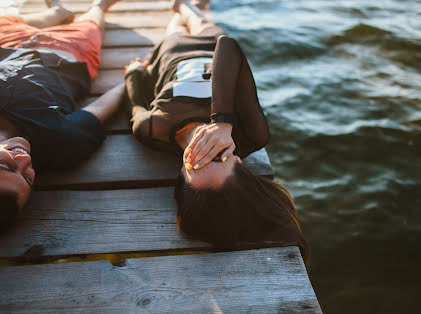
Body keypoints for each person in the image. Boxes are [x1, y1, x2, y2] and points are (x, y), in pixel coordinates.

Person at [125, 0, 309, 263]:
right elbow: (228, 45)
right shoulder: (251, 134)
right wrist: (223, 122)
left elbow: (135, 104)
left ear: (181, 173)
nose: (205, 148)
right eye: (218, 156)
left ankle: (181, 8)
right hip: (213, 47)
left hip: (172, 53)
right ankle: (188, 5)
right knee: (201, 22)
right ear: (238, 160)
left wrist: (134, 74)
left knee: (174, 28)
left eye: (196, 164)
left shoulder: (154, 128)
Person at [0, 0, 125, 230]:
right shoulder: (60, 143)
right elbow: (100, 108)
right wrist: (132, 79)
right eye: (27, 177)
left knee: (6, 21)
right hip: (66, 51)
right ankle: (99, 4)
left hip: (5, 41)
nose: (25, 160)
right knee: (90, 23)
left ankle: (55, 13)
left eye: (6, 166)